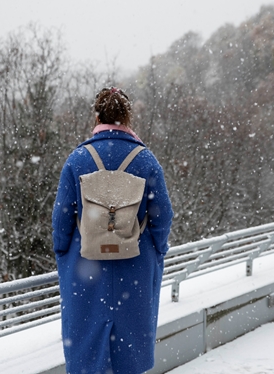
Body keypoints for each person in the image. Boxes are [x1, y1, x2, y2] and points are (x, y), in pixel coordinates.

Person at [52, 87, 173, 374]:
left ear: (97, 115)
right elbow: (163, 217)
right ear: (128, 117)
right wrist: (155, 252)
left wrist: (65, 256)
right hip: (136, 270)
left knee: (86, 349)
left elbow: (61, 220)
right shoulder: (145, 160)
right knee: (130, 350)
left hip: (86, 270)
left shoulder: (77, 159)